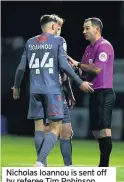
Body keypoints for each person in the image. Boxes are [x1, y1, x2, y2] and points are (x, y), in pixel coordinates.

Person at [12, 14, 94, 167]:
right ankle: (41, 162)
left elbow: (21, 68)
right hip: (53, 91)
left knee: (48, 129)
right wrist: (80, 82)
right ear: (54, 27)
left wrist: (16, 86)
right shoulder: (58, 41)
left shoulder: (30, 42)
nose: (60, 29)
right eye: (59, 27)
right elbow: (64, 67)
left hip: (35, 90)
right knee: (56, 128)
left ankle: (60, 166)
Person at [68, 17, 115, 167]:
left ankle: (104, 167)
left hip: (105, 93)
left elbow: (96, 69)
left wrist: (78, 63)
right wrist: (76, 70)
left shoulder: (104, 46)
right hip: (94, 94)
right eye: (83, 28)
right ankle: (103, 164)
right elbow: (84, 71)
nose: (84, 31)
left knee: (104, 130)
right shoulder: (88, 49)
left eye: (87, 28)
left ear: (97, 29)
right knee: (96, 131)